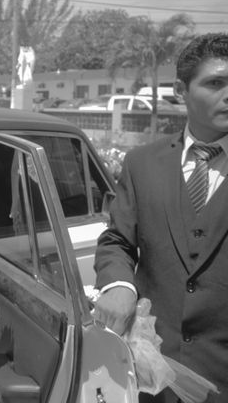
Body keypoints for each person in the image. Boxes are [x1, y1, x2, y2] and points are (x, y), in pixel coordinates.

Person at [93, 32, 228, 402]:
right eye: (216, 82)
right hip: (152, 372)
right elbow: (118, 240)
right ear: (181, 90)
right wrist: (119, 285)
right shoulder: (142, 163)